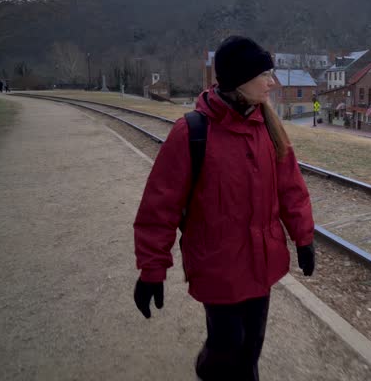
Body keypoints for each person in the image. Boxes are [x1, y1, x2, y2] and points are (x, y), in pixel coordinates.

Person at [133, 35, 316, 381]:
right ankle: (210, 370)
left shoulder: (269, 128)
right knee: (227, 342)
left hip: (261, 263)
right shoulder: (191, 133)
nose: (272, 83)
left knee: (252, 346)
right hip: (218, 267)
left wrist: (304, 238)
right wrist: (151, 270)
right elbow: (158, 210)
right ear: (240, 81)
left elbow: (292, 189)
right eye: (265, 75)